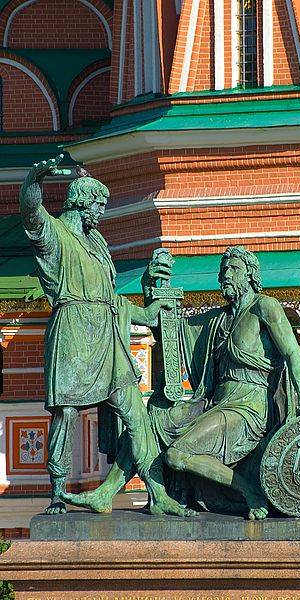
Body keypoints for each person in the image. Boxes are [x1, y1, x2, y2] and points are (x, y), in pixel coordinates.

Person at [61, 246, 300, 519]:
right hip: (214, 402)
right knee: (152, 420)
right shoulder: (220, 318)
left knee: (176, 455)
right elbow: (169, 327)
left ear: (250, 274)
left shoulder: (264, 307)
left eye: (233, 269)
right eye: (223, 270)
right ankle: (106, 493)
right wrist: (151, 286)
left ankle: (249, 491)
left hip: (249, 408)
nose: (226, 275)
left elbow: (293, 353)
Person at [19, 154, 193, 517]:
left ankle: (158, 493)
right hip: (72, 332)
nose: (101, 212)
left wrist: (146, 312)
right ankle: (57, 491)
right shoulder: (57, 234)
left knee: (135, 413)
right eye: (98, 204)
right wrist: (34, 179)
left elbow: (110, 296)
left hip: (107, 334)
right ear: (82, 202)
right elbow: (31, 216)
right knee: (66, 412)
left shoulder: (97, 243)